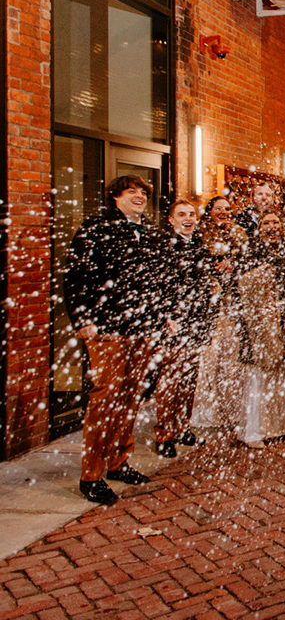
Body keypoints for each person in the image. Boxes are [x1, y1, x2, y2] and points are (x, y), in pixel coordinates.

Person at [64, 175, 168, 505]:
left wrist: (158, 315)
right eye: (132, 191)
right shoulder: (96, 227)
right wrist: (83, 320)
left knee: (130, 395)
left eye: (143, 192)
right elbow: (75, 274)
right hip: (107, 327)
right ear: (115, 197)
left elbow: (156, 278)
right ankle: (90, 476)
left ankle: (119, 462)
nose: (139, 196)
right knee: (105, 398)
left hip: (141, 327)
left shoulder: (149, 232)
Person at [237, 211, 285, 448]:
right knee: (260, 376)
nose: (271, 226)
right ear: (259, 227)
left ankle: (281, 426)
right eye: (266, 222)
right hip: (260, 324)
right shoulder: (250, 251)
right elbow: (240, 284)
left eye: (275, 222)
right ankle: (256, 430)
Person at [154, 200, 216, 458]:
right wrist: (166, 316)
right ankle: (164, 434)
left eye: (191, 214)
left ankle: (182, 427)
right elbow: (158, 285)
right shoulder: (164, 247)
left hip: (197, 320)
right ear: (171, 220)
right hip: (175, 322)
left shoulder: (199, 246)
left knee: (190, 378)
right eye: (182, 215)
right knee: (170, 378)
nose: (188, 219)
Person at [192, 196, 249, 430]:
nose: (223, 212)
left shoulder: (239, 233)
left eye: (227, 209)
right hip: (209, 305)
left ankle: (231, 408)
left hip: (233, 303)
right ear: (210, 211)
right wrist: (212, 271)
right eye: (218, 209)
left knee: (231, 359)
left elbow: (248, 261)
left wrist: (234, 265)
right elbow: (194, 264)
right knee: (210, 360)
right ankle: (207, 410)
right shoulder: (199, 233)